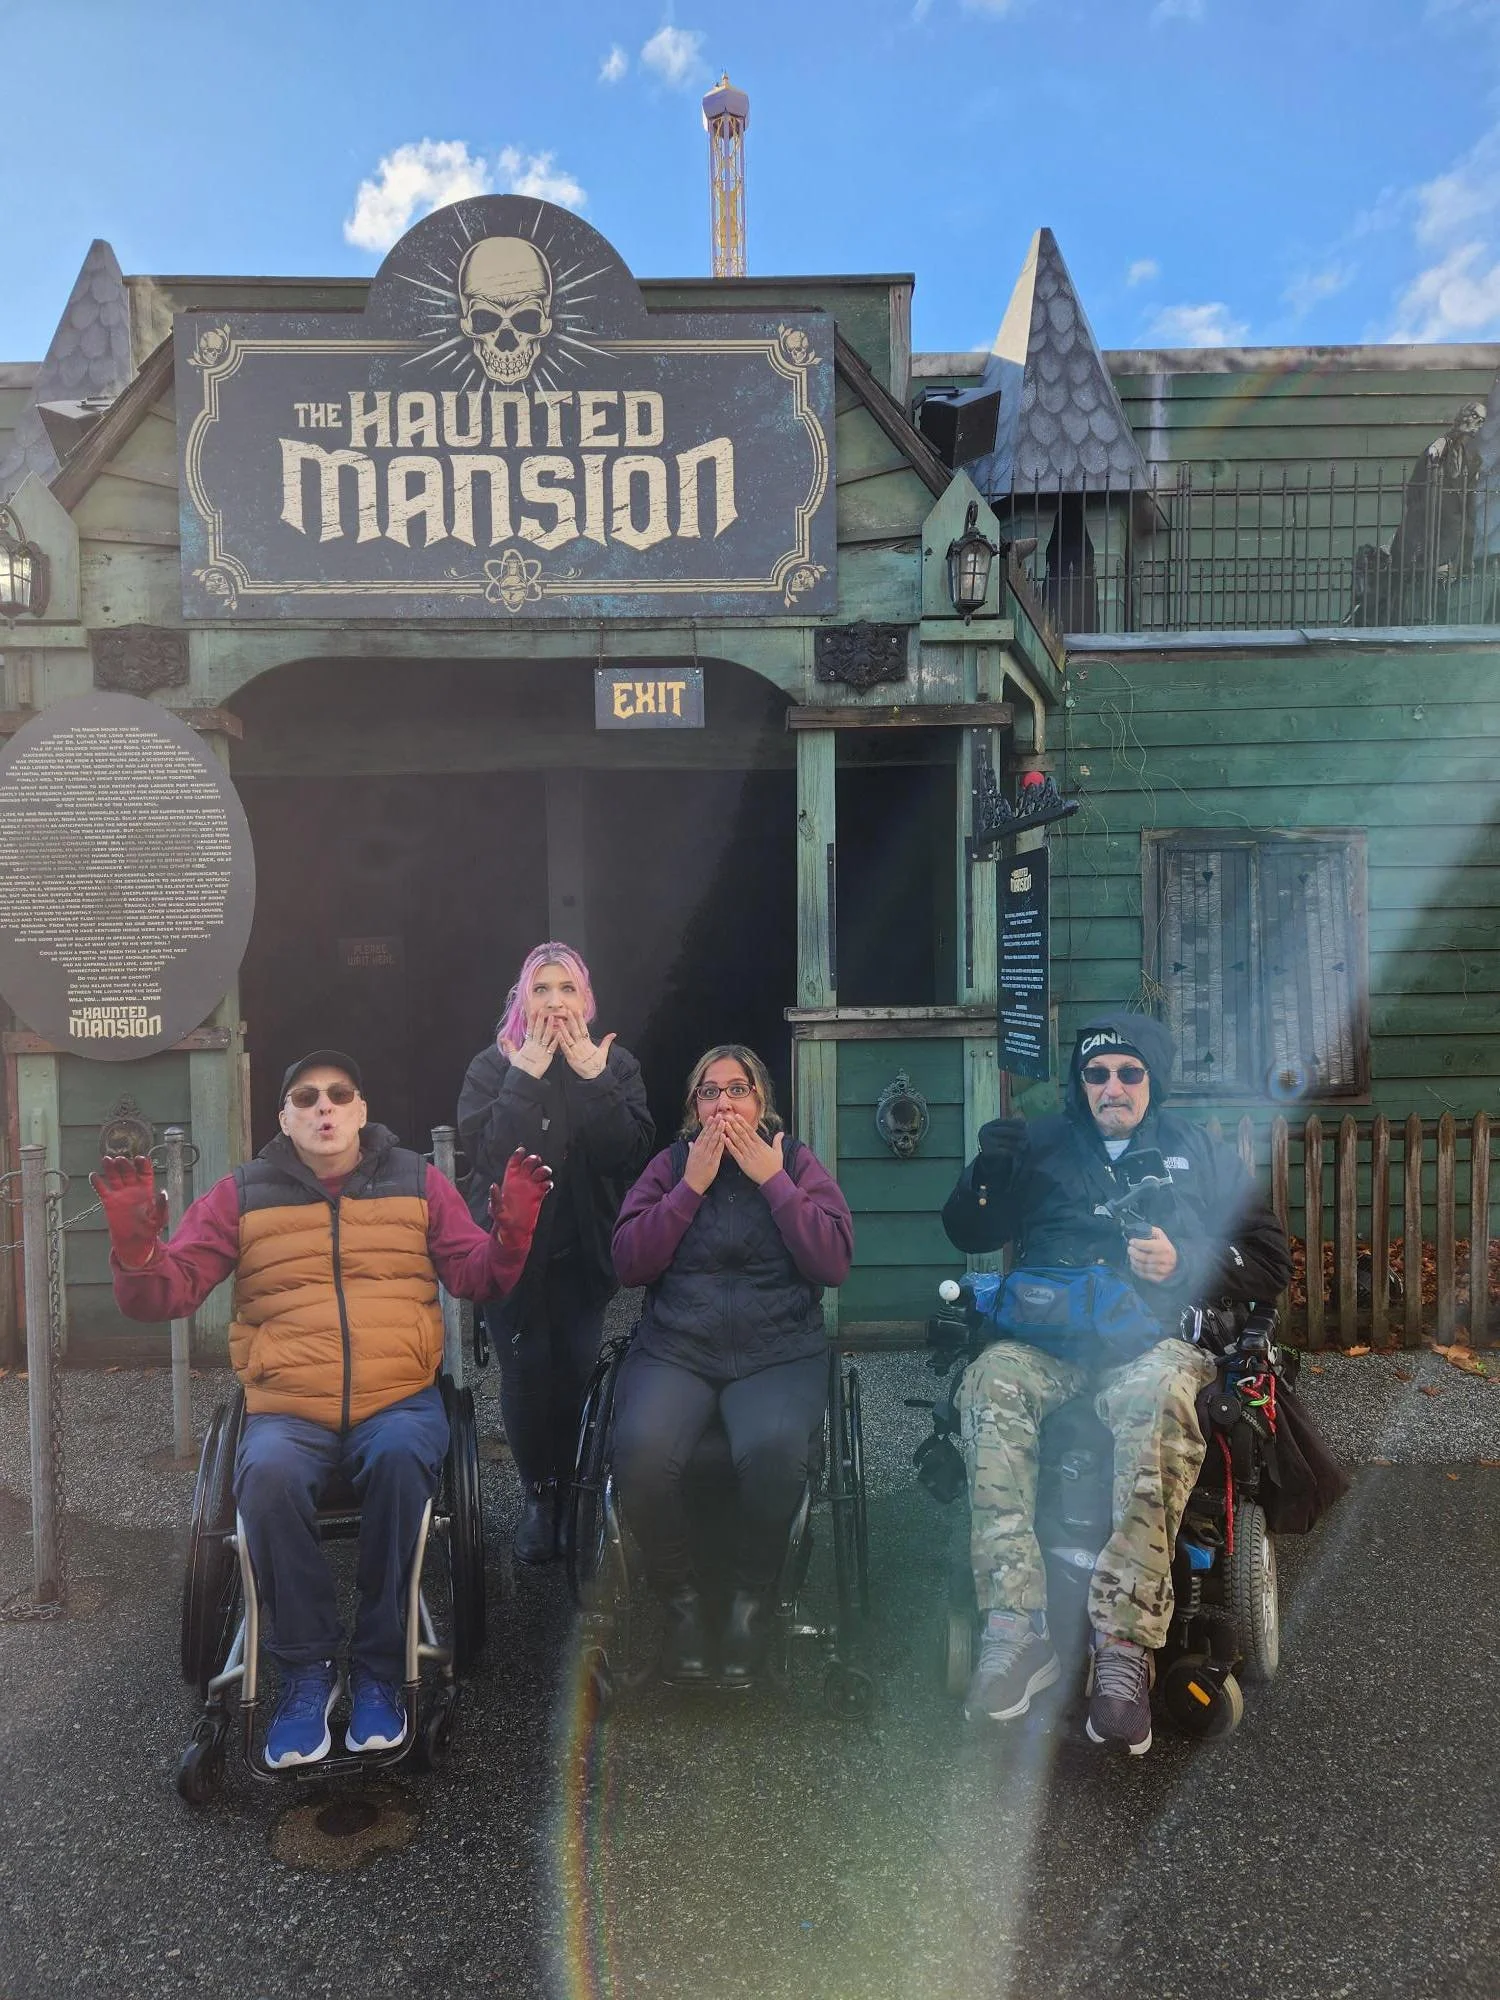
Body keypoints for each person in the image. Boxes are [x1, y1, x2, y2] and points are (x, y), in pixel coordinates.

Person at [97, 1049, 552, 1769]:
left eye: (339, 1094)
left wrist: (510, 1239)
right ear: (284, 1118)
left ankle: (378, 1669)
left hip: (397, 1399)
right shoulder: (242, 1193)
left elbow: (476, 1276)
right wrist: (136, 1250)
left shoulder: (418, 1181)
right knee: (267, 1476)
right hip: (287, 1406)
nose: (324, 1107)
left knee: (402, 1461)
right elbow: (168, 1293)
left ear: (362, 1110)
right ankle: (307, 1673)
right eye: (306, 1098)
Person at [941, 1010, 1291, 1755]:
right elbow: (969, 1231)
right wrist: (986, 1176)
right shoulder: (1039, 1145)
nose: (1113, 1086)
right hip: (1052, 1343)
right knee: (988, 1382)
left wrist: (1186, 1258)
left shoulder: (1199, 1152)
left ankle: (1124, 1645)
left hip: (1153, 1344)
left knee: (1160, 1398)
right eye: (1096, 1074)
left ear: (1152, 1081)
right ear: (1080, 1083)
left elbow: (1271, 1261)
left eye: (1129, 1073)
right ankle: (1015, 1625)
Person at [609, 1045, 854, 1684]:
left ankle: (751, 1601)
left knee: (775, 1452)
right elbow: (629, 1262)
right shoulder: (671, 1166)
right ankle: (682, 1605)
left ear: (760, 1100)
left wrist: (774, 1181)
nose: (724, 1103)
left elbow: (832, 1262)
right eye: (709, 1091)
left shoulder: (794, 1162)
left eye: (737, 1089)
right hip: (679, 1348)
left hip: (777, 1350)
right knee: (639, 1452)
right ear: (695, 1108)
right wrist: (689, 1188)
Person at [458, 944, 654, 1563]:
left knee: (573, 1372)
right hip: (511, 1253)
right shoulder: (492, 1066)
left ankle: (574, 1494)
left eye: (567, 989)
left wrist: (595, 1080)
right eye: (541, 989)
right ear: (523, 999)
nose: (554, 1002)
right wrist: (523, 1078)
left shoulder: (614, 1063)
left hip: (582, 1248)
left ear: (585, 1000)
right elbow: (489, 1157)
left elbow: (627, 1154)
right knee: (525, 1373)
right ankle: (538, 1498)